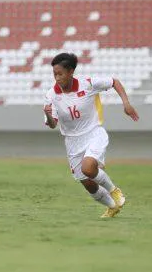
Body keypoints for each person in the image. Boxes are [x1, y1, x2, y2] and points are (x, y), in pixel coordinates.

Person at [43, 52, 139, 218]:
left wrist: (126, 103)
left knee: (88, 168)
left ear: (71, 72)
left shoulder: (87, 84)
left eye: (60, 74)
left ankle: (114, 190)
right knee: (88, 184)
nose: (57, 78)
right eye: (54, 74)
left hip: (93, 133)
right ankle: (112, 207)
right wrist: (49, 115)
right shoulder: (51, 95)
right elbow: (52, 125)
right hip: (72, 142)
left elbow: (114, 81)